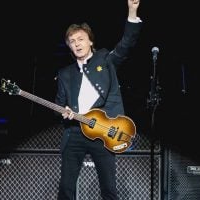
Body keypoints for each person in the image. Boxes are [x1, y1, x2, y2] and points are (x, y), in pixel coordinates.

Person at [54, 0, 142, 199]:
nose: (76, 43)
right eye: (72, 41)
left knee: (109, 188)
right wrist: (63, 111)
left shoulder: (105, 60)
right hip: (75, 132)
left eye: (80, 39)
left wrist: (132, 11)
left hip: (104, 130)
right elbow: (59, 104)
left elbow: (126, 43)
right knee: (66, 188)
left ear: (90, 41)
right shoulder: (65, 74)